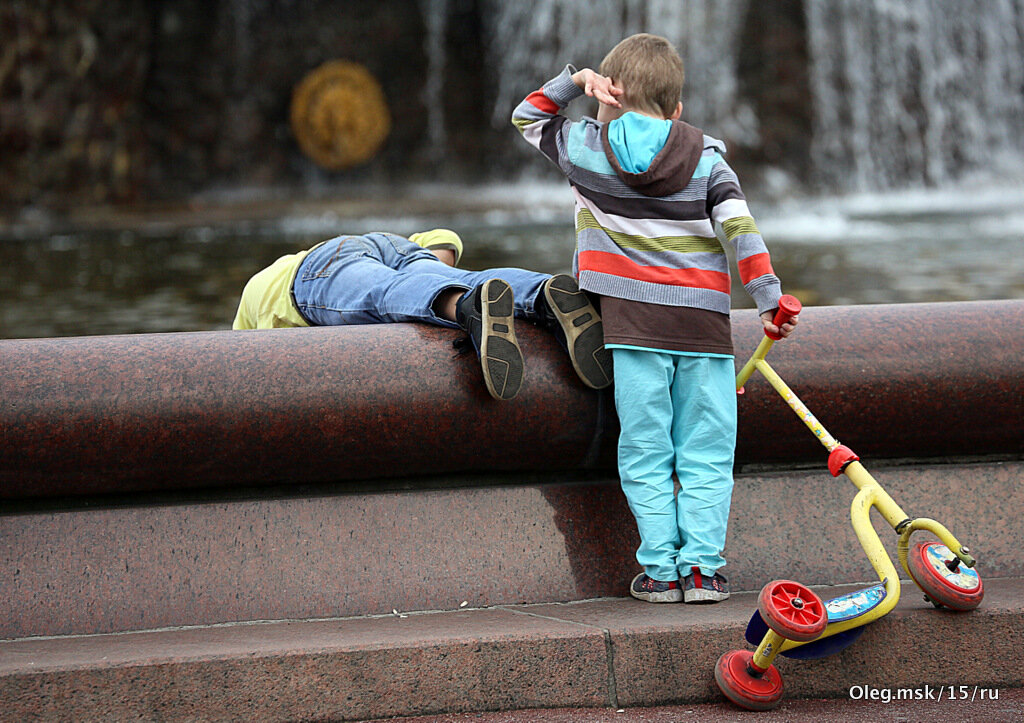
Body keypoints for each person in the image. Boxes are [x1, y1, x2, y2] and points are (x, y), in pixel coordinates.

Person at [512, 33, 798, 603]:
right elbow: (741, 230)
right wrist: (768, 296)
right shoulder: (707, 158)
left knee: (645, 449)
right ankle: (703, 571)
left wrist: (576, 81)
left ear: (609, 95)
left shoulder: (584, 148)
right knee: (707, 450)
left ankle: (661, 573)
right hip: (704, 329)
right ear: (677, 109)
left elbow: (527, 116)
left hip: (631, 330)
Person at [232, 229, 613, 400]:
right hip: (389, 244)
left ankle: (464, 306)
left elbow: (246, 368)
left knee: (383, 295)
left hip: (314, 274)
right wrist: (430, 273)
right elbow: (446, 240)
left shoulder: (257, 296)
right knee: (465, 277)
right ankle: (543, 295)